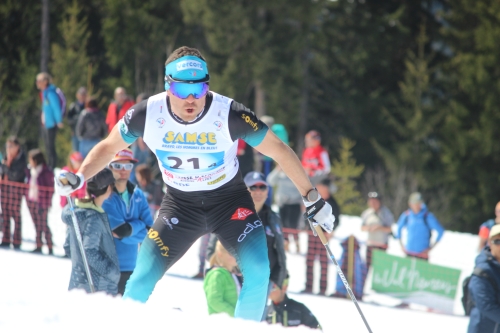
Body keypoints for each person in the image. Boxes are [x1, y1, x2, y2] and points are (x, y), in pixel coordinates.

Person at [55, 46, 335, 322]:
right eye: (181, 90)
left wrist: (312, 198)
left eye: (199, 90)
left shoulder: (229, 113)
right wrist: (80, 176)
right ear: (168, 87)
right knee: (141, 278)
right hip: (180, 206)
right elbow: (108, 146)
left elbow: (278, 150)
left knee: (259, 271)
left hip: (229, 204)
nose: (191, 98)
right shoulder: (147, 114)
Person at [102, 149, 154, 295]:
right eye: (118, 166)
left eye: (128, 166)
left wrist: (129, 231)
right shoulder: (105, 196)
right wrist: (139, 224)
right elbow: (120, 230)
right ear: (110, 167)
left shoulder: (138, 194)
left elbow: (149, 231)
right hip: (109, 267)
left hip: (132, 266)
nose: (123, 170)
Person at [62, 168, 120, 295]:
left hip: (78, 282)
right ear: (109, 188)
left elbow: (67, 246)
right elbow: (89, 251)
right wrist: (111, 272)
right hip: (98, 286)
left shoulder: (76, 213)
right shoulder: (94, 217)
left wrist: (79, 265)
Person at [303, 177, 340, 295]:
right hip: (312, 234)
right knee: (309, 260)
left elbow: (337, 220)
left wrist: (331, 232)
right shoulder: (315, 201)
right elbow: (308, 215)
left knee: (323, 262)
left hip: (324, 236)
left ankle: (322, 289)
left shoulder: (333, 203)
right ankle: (308, 286)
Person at [467, 224, 500, 333]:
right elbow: (486, 306)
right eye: (497, 242)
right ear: (490, 243)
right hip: (482, 327)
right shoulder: (482, 271)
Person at [395, 192, 445, 260]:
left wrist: (431, 248)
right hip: (409, 253)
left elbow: (440, 231)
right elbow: (398, 228)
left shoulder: (427, 216)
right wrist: (401, 245)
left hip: (422, 255)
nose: (417, 206)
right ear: (410, 204)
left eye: (419, 203)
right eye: (415, 203)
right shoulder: (407, 215)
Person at [0, 136, 27, 249]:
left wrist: (5, 167)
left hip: (16, 189)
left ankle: (17, 240)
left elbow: (15, 175)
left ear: (17, 147)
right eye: (7, 146)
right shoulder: (8, 157)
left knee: (16, 215)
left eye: (11, 146)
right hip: (5, 188)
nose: (8, 148)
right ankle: (6, 238)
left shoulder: (21, 159)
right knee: (5, 213)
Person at [25, 149, 54, 254]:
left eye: (31, 159)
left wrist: (45, 204)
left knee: (43, 224)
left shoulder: (46, 172)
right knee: (36, 224)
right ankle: (38, 245)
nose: (29, 161)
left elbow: (50, 190)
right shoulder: (30, 170)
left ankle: (50, 246)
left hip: (42, 203)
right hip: (32, 201)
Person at [267, 165, 302, 252]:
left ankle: (297, 243)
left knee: (293, 225)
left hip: (295, 203)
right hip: (282, 203)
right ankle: (286, 243)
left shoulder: (296, 174)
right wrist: (277, 169)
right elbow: (270, 181)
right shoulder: (280, 174)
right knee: (283, 224)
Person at [204, 240, 241, 317]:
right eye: (231, 253)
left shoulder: (234, 274)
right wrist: (234, 314)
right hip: (220, 322)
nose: (236, 256)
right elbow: (214, 301)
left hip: (233, 322)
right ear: (220, 254)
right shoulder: (217, 275)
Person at [36, 72, 63, 170]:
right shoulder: (45, 93)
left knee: (51, 146)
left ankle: (52, 166)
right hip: (46, 123)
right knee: (47, 146)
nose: (37, 83)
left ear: (45, 81)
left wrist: (59, 120)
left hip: (52, 123)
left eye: (39, 81)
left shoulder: (51, 93)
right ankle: (49, 165)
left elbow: (56, 107)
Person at [361, 191, 395, 268]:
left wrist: (380, 228)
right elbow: (362, 227)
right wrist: (369, 228)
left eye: (375, 201)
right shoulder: (367, 213)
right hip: (370, 244)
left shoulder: (385, 213)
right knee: (368, 267)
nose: (373, 203)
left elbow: (390, 229)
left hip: (381, 245)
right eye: (371, 201)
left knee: (380, 267)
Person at [67, 87, 87, 152]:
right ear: (77, 95)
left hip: (86, 134)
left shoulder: (88, 106)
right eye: (81, 94)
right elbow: (69, 120)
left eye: (84, 94)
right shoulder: (73, 106)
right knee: (76, 153)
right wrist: (78, 119)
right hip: (75, 133)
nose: (82, 96)